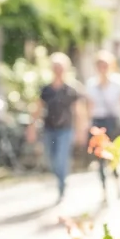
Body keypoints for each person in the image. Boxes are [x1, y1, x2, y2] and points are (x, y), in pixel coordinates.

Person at [86, 51, 120, 198]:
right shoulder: (92, 84)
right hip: (98, 123)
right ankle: (104, 190)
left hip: (114, 122)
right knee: (100, 157)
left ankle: (118, 184)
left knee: (114, 154)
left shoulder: (119, 83)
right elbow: (89, 107)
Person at [38, 53, 83, 201]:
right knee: (50, 159)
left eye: (60, 67)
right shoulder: (46, 89)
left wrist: (80, 131)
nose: (58, 70)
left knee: (61, 158)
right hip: (49, 129)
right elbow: (38, 108)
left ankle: (62, 184)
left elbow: (78, 111)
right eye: (55, 67)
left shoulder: (71, 89)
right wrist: (31, 127)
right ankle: (60, 178)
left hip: (65, 129)